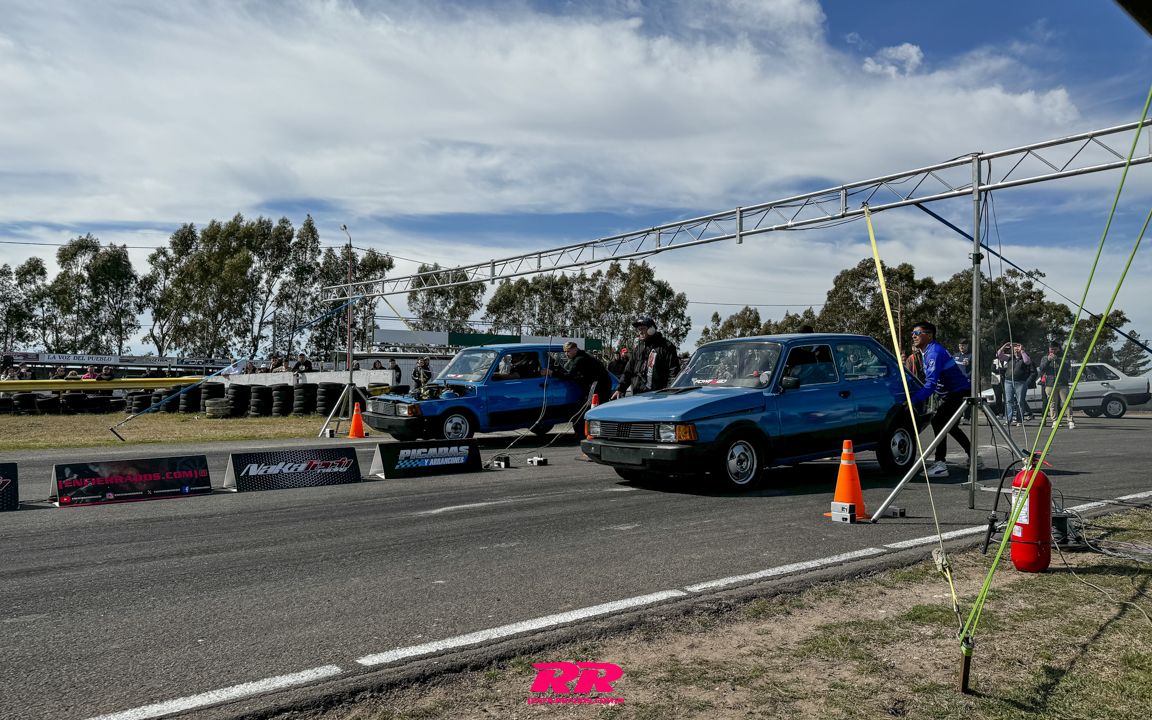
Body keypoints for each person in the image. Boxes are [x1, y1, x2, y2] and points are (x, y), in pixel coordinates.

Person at [910, 321, 980, 476]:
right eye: (912, 333)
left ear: (929, 336)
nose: (914, 336)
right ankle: (975, 459)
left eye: (917, 333)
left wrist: (913, 400)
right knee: (951, 426)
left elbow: (931, 384)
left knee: (938, 422)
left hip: (959, 393)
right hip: (954, 393)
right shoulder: (928, 351)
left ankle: (940, 464)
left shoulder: (934, 353)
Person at [543, 342, 614, 436]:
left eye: (568, 351)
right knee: (586, 407)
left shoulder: (580, 359)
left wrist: (552, 373)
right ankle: (584, 432)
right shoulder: (581, 357)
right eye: (565, 352)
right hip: (596, 383)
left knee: (589, 406)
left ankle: (588, 433)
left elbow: (569, 376)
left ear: (575, 350)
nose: (566, 354)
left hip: (598, 384)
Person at [612, 318, 680, 400]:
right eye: (639, 329)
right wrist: (620, 389)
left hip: (658, 397)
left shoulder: (666, 347)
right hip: (638, 396)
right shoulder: (639, 348)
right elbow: (628, 370)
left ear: (651, 329)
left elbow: (673, 372)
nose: (640, 332)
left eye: (643, 329)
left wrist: (669, 392)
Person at [1038, 342, 1075, 430]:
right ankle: (1054, 420)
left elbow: (1067, 366)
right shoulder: (1045, 357)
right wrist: (1048, 360)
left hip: (1062, 383)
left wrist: (1057, 359)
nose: (1053, 351)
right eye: (1051, 349)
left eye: (1055, 349)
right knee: (1052, 403)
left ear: (1058, 348)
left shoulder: (1064, 356)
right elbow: (1042, 368)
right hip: (1050, 383)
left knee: (1066, 402)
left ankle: (1070, 420)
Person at [998, 342, 1033, 425]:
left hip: (1020, 382)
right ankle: (1008, 419)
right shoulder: (1010, 357)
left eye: (1018, 349)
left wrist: (1022, 351)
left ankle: (1020, 420)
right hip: (1009, 381)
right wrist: (1004, 347)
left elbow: (1027, 361)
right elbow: (998, 355)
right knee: (1009, 401)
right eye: (1015, 350)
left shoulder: (1024, 357)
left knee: (1020, 401)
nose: (1016, 351)